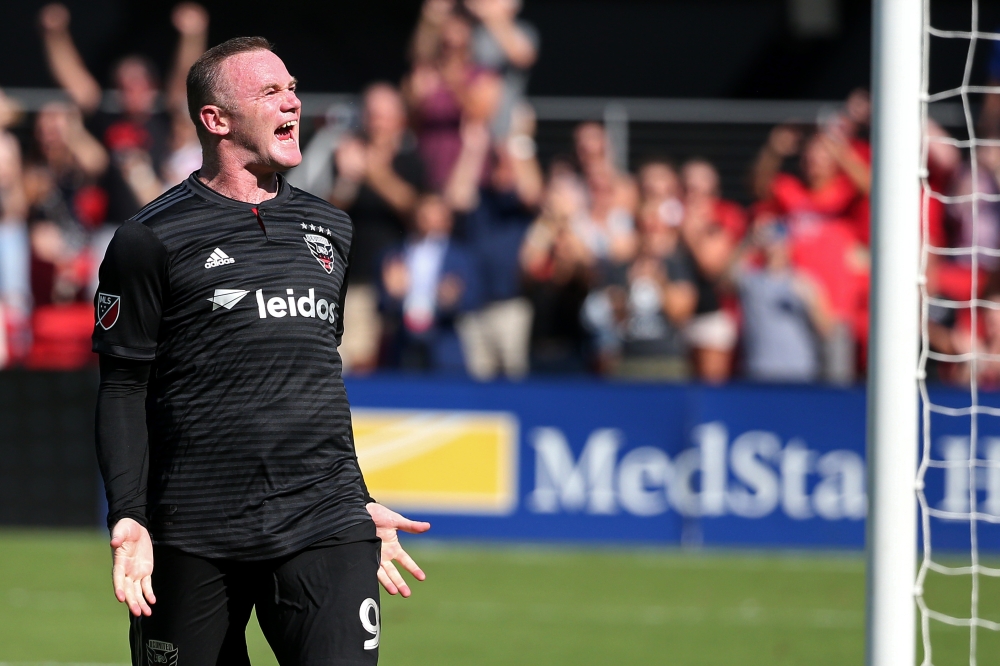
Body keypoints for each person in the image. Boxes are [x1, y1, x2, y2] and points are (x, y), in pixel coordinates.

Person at [91, 37, 429, 662]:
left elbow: (314, 375)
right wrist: (130, 516)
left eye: (293, 88)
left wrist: (354, 500)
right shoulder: (148, 238)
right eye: (271, 92)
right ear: (216, 120)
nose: (293, 102)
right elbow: (122, 385)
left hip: (324, 521)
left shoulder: (333, 227)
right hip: (193, 527)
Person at [329, 83, 426, 373]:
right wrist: (347, 177)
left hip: (402, 280)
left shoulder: (411, 160)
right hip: (356, 279)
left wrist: (374, 172)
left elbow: (417, 209)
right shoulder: (349, 154)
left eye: (383, 115)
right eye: (372, 115)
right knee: (352, 360)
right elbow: (333, 212)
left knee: (392, 361)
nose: (377, 122)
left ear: (399, 118)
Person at [445, 107, 542, 380]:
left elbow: (532, 191)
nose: (503, 168)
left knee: (514, 378)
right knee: (478, 385)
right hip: (474, 307)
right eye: (497, 162)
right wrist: (474, 147)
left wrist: (518, 142)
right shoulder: (482, 199)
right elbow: (455, 198)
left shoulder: (519, 204)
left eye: (507, 162)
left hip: (511, 305)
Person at [379, 194, 480, 373]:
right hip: (404, 345)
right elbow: (381, 303)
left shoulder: (461, 256)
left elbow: (473, 299)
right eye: (424, 216)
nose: (430, 222)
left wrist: (452, 299)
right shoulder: (394, 253)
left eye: (436, 216)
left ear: (448, 220)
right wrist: (393, 295)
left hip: (444, 342)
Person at [731, 221, 832, 382]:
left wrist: (810, 303)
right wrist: (749, 243)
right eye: (771, 242)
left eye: (780, 243)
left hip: (799, 371)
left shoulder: (805, 282)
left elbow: (826, 329)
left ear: (789, 247)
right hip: (759, 369)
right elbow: (726, 275)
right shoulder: (751, 280)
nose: (775, 248)